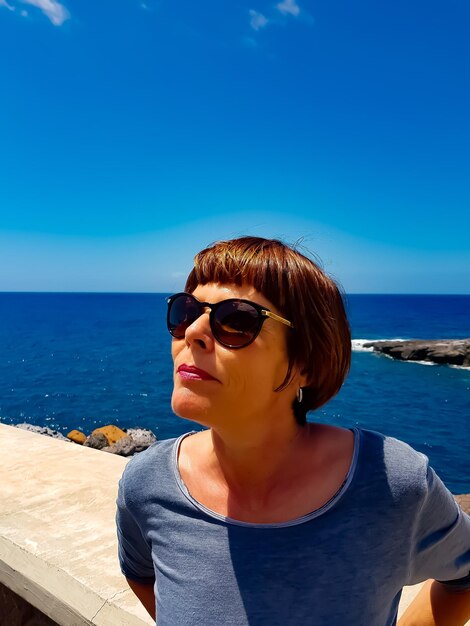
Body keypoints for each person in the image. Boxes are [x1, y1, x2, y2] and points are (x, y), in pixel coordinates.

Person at [116, 235, 470, 625]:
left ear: (304, 365)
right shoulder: (146, 484)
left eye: (236, 320)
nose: (194, 331)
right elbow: (143, 576)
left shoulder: (390, 484)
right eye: (186, 311)